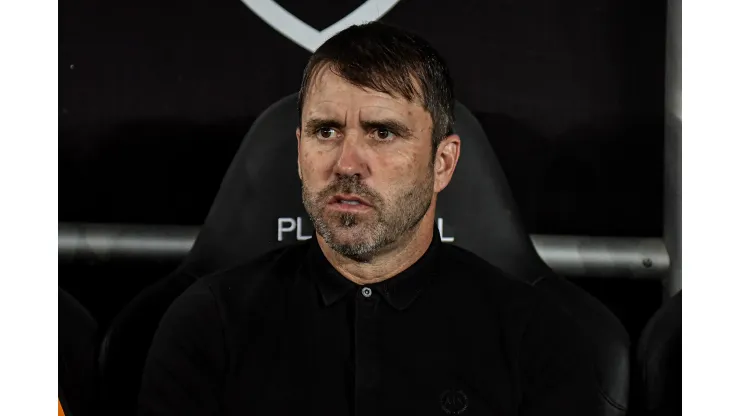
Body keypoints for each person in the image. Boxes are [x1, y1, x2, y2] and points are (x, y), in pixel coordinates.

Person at [138, 22, 602, 415]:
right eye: (327, 131)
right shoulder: (209, 324)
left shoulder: (536, 337)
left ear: (442, 162)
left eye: (382, 132)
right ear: (300, 153)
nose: (347, 163)